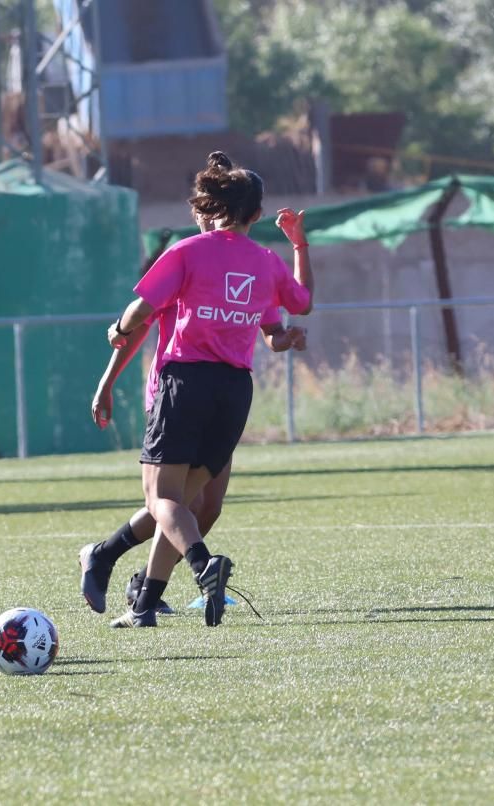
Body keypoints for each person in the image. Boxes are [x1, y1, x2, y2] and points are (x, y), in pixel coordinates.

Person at [85, 150, 313, 628]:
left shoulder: (187, 253)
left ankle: (200, 564)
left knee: (169, 502)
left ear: (213, 205)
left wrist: (119, 328)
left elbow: (140, 312)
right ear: (255, 213)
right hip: (232, 390)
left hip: (186, 383)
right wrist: (299, 246)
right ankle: (140, 598)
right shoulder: (266, 262)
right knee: (185, 503)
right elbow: (301, 303)